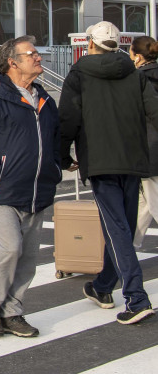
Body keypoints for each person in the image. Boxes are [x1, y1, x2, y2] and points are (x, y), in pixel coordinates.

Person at [59, 21, 158, 325]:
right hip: (133, 159)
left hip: (100, 161)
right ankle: (103, 286)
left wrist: (62, 155)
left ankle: (136, 297)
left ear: (90, 43)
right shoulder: (133, 73)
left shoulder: (79, 74)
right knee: (123, 228)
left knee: (117, 231)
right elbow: (154, 111)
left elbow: (68, 118)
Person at [0, 36, 61, 337]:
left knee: (28, 258)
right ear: (12, 62)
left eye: (37, 53)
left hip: (37, 191)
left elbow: (54, 140)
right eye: (31, 54)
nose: (38, 58)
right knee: (8, 250)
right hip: (0, 192)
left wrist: (56, 166)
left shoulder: (44, 99)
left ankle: (13, 311)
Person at [130, 35, 158, 248]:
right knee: (144, 204)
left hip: (148, 149)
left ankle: (125, 253)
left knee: (153, 200)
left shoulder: (137, 79)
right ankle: (128, 248)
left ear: (138, 56)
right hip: (151, 149)